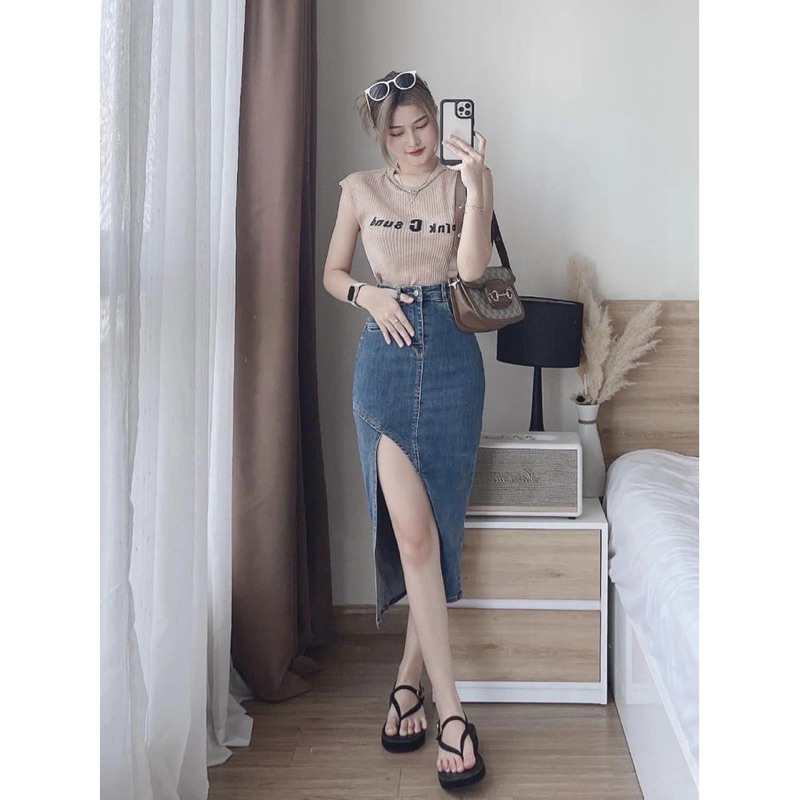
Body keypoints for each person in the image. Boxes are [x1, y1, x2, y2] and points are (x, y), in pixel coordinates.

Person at [322, 69, 493, 791]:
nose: (414, 139)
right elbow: (333, 272)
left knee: (438, 536)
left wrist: (478, 187)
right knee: (413, 538)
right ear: (380, 135)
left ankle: (407, 679)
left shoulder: (462, 182)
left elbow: (472, 270)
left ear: (436, 120)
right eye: (397, 130)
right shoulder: (359, 189)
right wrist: (368, 294)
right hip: (385, 361)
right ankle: (453, 712)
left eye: (422, 123)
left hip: (452, 357)